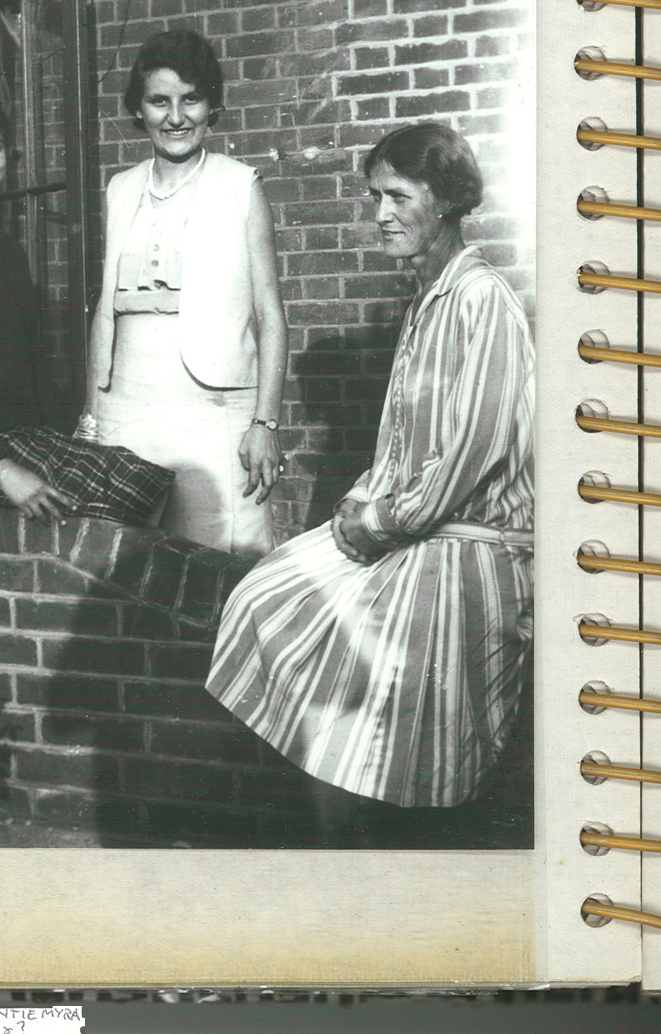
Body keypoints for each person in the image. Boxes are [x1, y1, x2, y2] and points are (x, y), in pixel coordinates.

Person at [206, 124, 534, 839]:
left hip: (466, 552)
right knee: (270, 594)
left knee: (359, 705)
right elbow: (402, 446)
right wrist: (360, 503)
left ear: (443, 200)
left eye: (397, 196)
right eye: (373, 196)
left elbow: (464, 457)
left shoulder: (482, 302)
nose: (379, 213)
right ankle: (344, 860)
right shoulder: (427, 304)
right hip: (416, 530)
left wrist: (374, 522)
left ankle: (374, 866)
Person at [0, 89, 170, 525]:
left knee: (143, 477)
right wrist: (5, 468)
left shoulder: (8, 249)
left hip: (17, 435)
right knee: (122, 499)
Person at [80, 29, 287, 557]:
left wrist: (264, 422)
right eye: (159, 101)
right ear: (139, 109)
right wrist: (91, 415)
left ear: (211, 105)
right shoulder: (120, 188)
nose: (176, 117)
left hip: (214, 414)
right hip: (127, 409)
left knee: (226, 569)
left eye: (190, 99)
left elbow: (269, 314)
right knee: (130, 574)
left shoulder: (241, 185)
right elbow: (106, 310)